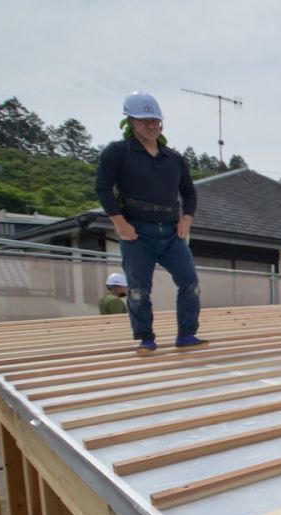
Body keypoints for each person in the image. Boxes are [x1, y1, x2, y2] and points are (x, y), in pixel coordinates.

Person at [95, 90, 207, 354]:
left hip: (170, 231)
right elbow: (103, 188)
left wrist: (187, 219)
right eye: (144, 120)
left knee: (190, 281)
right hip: (137, 232)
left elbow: (189, 192)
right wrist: (119, 222)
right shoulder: (119, 152)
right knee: (138, 288)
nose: (151, 125)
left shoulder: (174, 158)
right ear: (130, 122)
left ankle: (187, 334)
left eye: (155, 121)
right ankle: (146, 338)